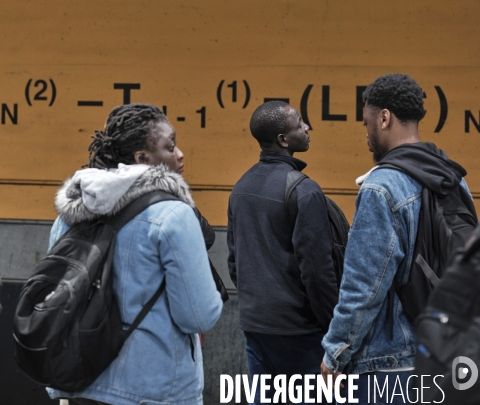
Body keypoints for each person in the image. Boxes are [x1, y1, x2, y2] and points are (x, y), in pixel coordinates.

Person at [46, 103, 223, 405]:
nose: (180, 154)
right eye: (169, 146)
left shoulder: (70, 214)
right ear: (143, 158)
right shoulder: (174, 215)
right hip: (153, 389)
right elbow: (199, 316)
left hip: (79, 381)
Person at [321, 73, 474, 403]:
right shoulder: (453, 176)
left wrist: (335, 353)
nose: (366, 133)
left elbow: (364, 288)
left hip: (390, 364)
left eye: (367, 123)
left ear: (385, 117)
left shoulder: (381, 187)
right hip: (440, 353)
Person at [228, 100, 338, 404]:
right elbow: (317, 272)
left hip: (256, 326)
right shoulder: (304, 190)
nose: (306, 128)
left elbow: (234, 263)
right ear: (283, 140)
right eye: (300, 123)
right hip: (300, 333)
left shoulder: (241, 187)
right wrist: (335, 329)